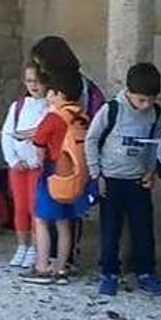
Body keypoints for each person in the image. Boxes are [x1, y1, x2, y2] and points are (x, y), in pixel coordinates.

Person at [86, 63, 161, 296]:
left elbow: (155, 143)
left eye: (151, 100)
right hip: (111, 180)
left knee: (143, 230)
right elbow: (92, 140)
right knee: (110, 230)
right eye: (141, 100)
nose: (146, 105)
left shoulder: (155, 113)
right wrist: (96, 174)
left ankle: (146, 272)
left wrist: (151, 170)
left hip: (137, 181)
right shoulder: (112, 110)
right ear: (129, 92)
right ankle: (109, 272)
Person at [21, 68, 92, 285]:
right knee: (65, 223)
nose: (48, 97)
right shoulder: (82, 115)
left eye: (51, 92)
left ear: (58, 94)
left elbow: (39, 143)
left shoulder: (54, 116)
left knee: (41, 220)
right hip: (77, 174)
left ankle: (42, 268)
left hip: (54, 172)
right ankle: (61, 269)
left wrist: (40, 162)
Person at [1, 62, 50, 269]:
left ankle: (35, 248)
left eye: (38, 82)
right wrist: (13, 160)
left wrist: (32, 161)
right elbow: (7, 134)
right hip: (17, 167)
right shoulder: (18, 106)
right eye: (30, 81)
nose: (34, 86)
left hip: (36, 166)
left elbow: (45, 136)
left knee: (34, 208)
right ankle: (22, 245)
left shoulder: (50, 107)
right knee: (20, 207)